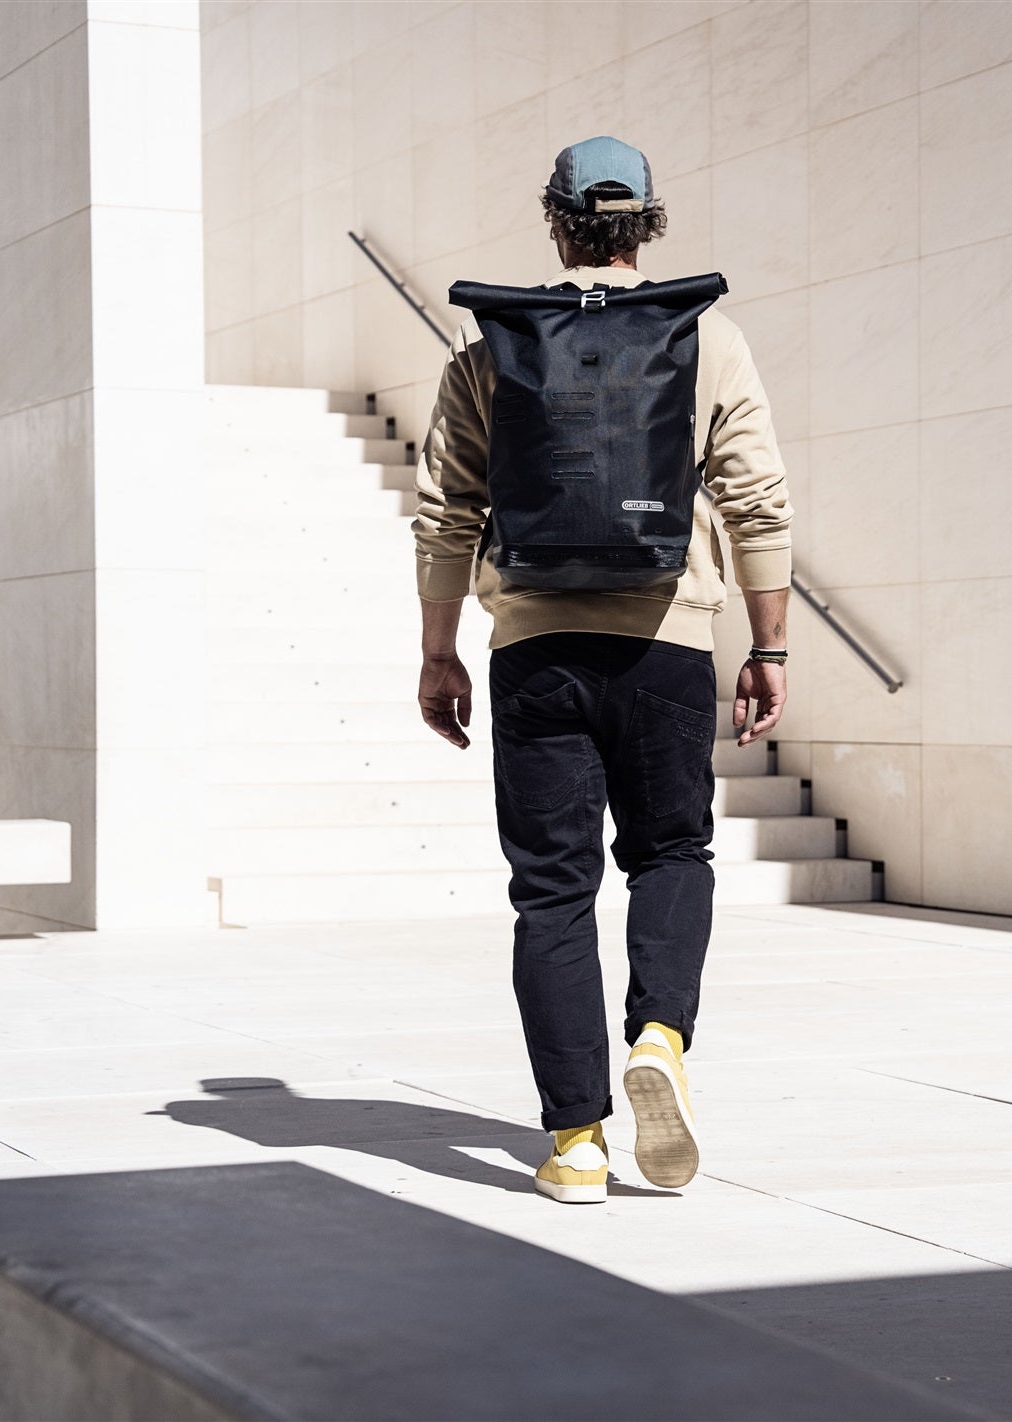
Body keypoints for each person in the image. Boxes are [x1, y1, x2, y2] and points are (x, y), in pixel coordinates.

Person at [412, 136, 794, 1204]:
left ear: (556, 220)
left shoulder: (490, 348)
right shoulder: (705, 338)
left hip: (534, 647)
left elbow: (447, 511)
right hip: (666, 641)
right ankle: (660, 1036)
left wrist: (439, 651)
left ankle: (576, 1141)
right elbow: (758, 500)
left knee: (552, 891)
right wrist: (767, 645)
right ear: (648, 224)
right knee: (670, 853)